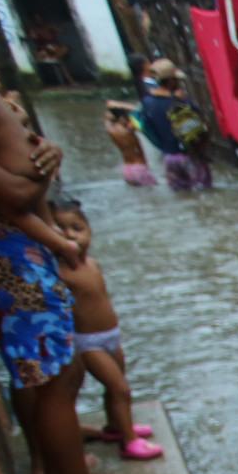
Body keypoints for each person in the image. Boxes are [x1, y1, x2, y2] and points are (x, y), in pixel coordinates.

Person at [0, 107, 143, 474]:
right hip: (9, 262)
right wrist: (43, 171)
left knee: (45, 373)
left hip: (3, 262)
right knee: (55, 376)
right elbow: (16, 198)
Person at [0, 4, 80, 268]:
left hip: (15, 169)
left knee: (11, 210)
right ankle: (55, 234)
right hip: (26, 161)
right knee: (26, 209)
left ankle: (61, 243)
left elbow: (16, 196)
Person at [51, 197, 160, 460]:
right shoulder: (59, 271)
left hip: (110, 336)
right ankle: (129, 442)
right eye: (60, 229)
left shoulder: (93, 264)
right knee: (120, 389)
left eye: (77, 228)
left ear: (89, 230)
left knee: (115, 388)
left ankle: (116, 427)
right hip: (87, 342)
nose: (70, 235)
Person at [141, 60, 212, 192]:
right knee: (204, 192)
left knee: (181, 195)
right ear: (171, 81)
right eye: (176, 80)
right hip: (189, 157)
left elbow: (148, 127)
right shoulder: (183, 105)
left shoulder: (147, 102)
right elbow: (200, 131)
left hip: (169, 159)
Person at [104, 105, 155, 186]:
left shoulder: (111, 130)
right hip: (139, 167)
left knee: (136, 194)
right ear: (122, 118)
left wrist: (111, 110)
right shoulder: (129, 131)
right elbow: (140, 114)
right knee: (150, 192)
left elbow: (107, 120)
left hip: (126, 169)